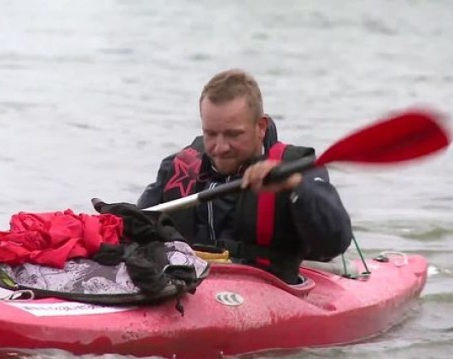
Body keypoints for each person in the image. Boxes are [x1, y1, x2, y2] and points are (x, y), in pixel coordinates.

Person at [137, 69, 353, 284]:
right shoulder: (177, 168)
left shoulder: (297, 171)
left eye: (233, 134)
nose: (220, 147)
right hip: (190, 289)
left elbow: (334, 243)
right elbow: (134, 229)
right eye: (211, 134)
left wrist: (294, 186)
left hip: (270, 292)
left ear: (260, 127)